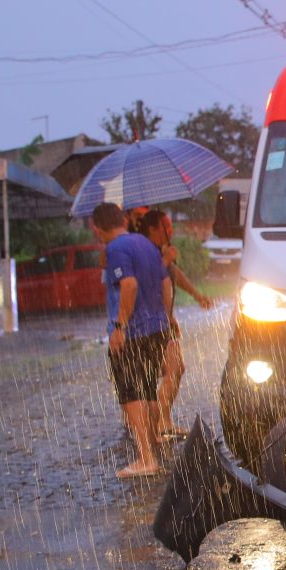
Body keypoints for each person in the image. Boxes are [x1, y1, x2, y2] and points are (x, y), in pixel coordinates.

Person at [89, 202, 173, 480]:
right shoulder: (147, 244)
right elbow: (166, 284)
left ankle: (146, 458)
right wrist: (166, 317)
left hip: (133, 333)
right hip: (157, 328)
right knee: (147, 389)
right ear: (123, 220)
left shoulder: (116, 249)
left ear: (96, 227)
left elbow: (129, 285)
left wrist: (119, 327)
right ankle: (153, 446)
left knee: (131, 396)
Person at [139, 209, 213, 437]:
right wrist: (164, 260)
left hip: (163, 322)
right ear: (152, 229)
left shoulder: (160, 252)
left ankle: (162, 421)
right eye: (166, 226)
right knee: (171, 370)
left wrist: (196, 295)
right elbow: (145, 281)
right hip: (150, 324)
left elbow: (175, 275)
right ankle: (157, 423)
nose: (170, 230)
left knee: (175, 369)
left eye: (170, 226)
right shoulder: (144, 250)